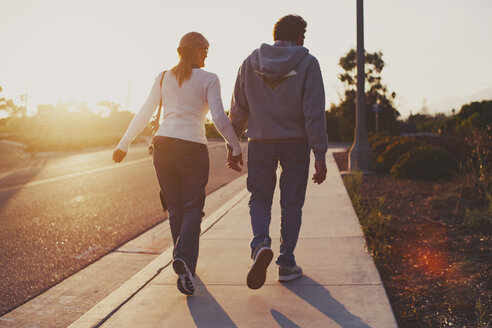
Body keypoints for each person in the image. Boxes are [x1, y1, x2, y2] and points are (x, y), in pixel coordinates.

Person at [113, 32, 243, 296]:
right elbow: (218, 116)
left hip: (163, 146)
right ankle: (183, 257)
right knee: (193, 207)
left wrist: (123, 144)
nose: (208, 53)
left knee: (175, 209)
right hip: (192, 147)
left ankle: (185, 268)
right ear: (195, 50)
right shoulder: (209, 79)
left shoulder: (163, 77)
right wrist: (235, 146)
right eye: (206, 49)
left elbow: (145, 111)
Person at [227, 15, 328, 289]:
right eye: (303, 37)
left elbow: (238, 108)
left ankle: (260, 244)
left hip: (260, 142)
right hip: (296, 143)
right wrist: (319, 154)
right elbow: (314, 113)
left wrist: (233, 143)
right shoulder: (308, 63)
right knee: (291, 204)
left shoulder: (250, 62)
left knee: (259, 197)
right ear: (298, 37)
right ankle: (286, 262)